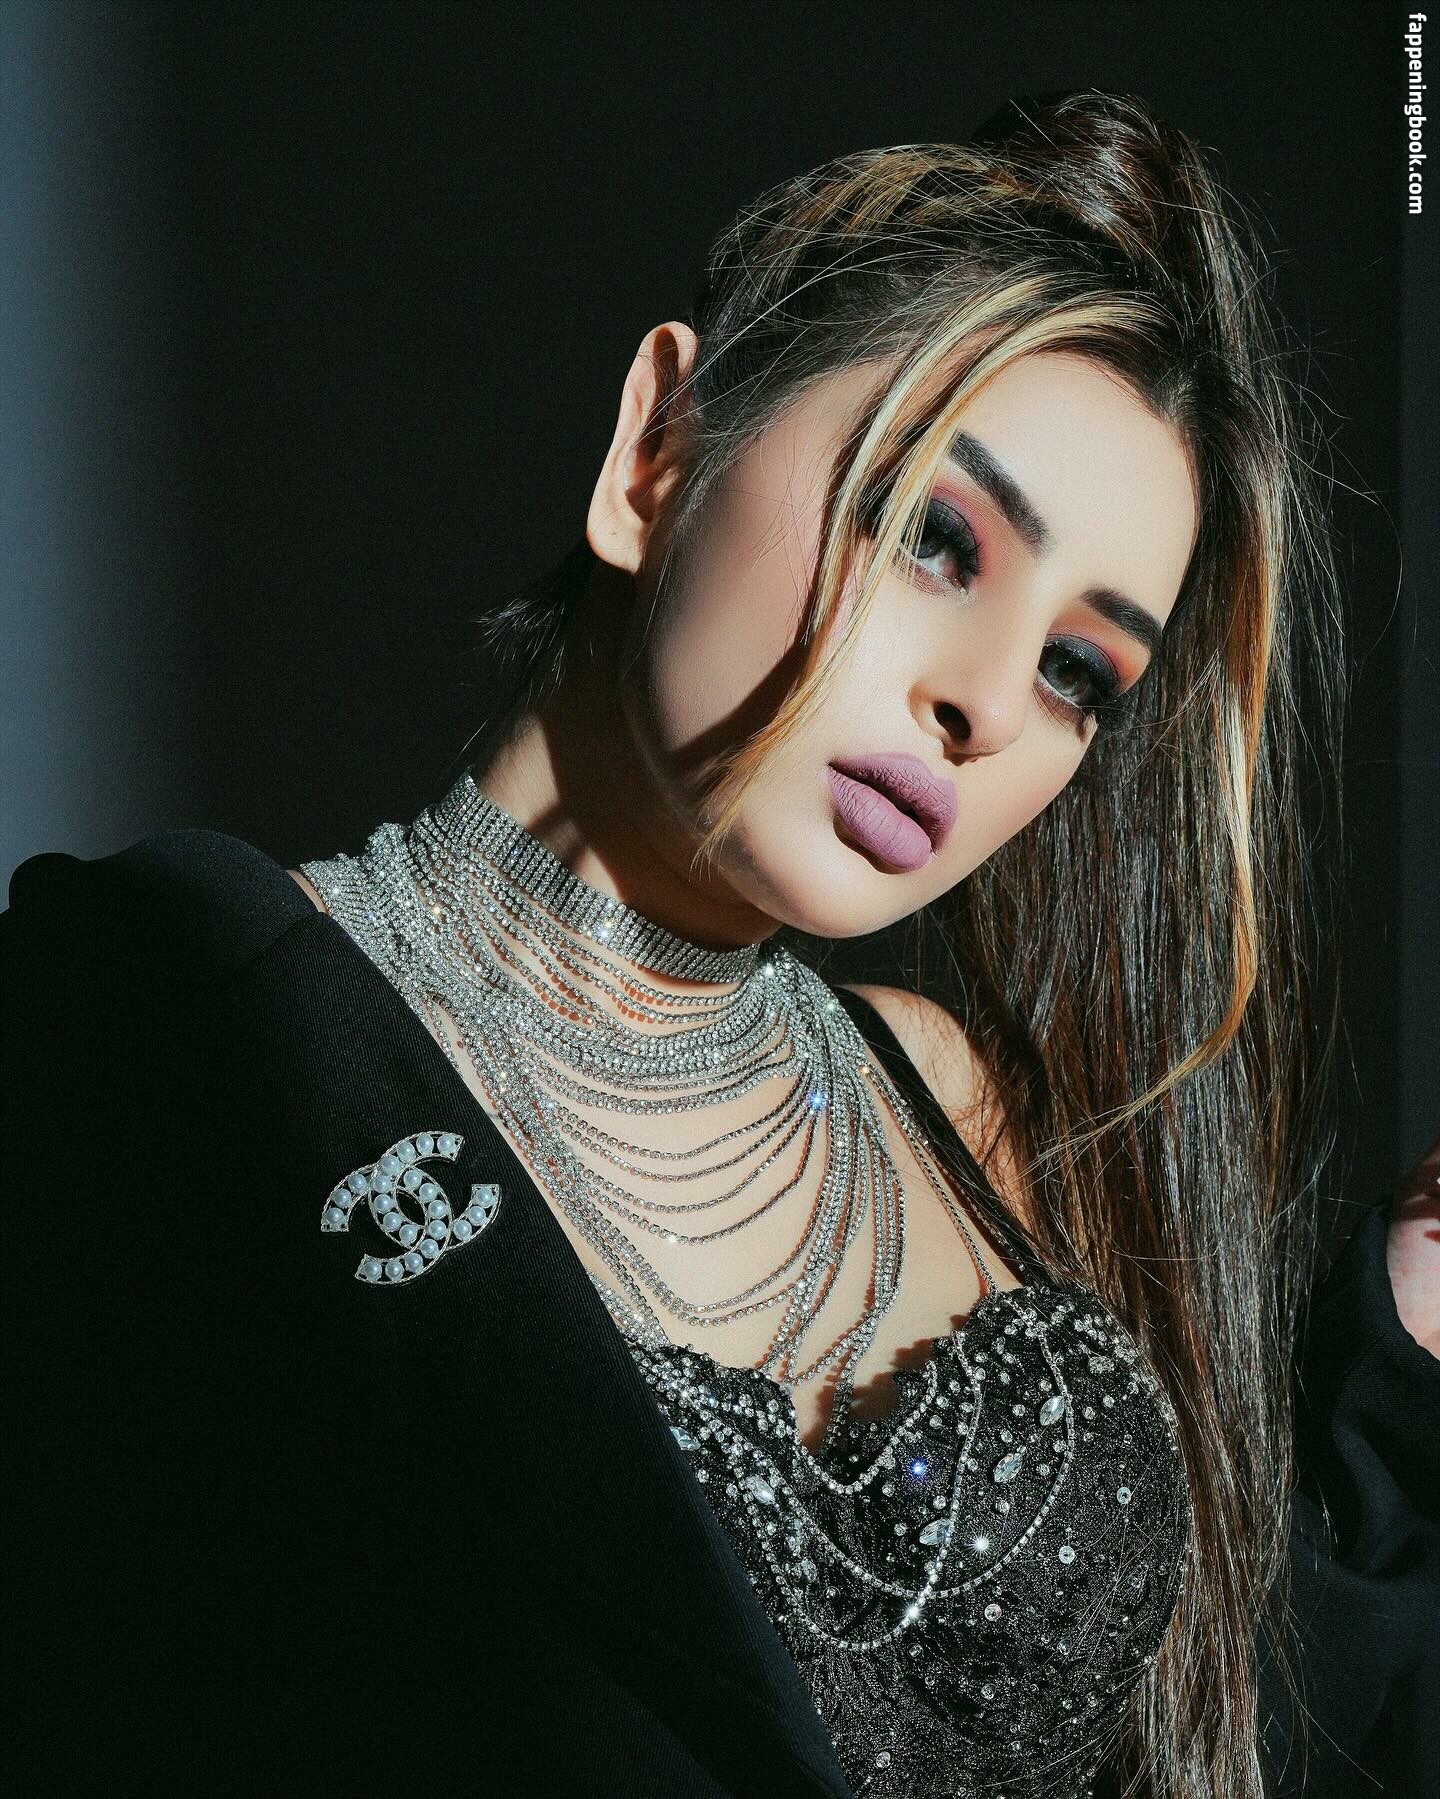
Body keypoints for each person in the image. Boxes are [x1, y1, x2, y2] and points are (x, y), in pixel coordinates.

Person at [2, 90, 1434, 1799]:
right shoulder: (209, 1027)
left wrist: (1404, 1350)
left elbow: (1211, 1743)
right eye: (935, 536)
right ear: (656, 454)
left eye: (1080, 672)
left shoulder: (960, 1108)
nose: (987, 700)